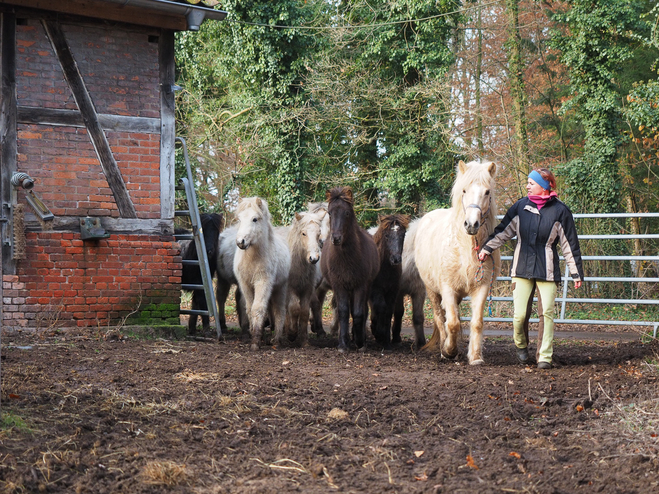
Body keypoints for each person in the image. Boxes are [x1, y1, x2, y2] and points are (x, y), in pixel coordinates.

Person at [478, 168, 583, 369]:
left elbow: (570, 244)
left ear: (543, 187)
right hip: (521, 268)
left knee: (547, 315)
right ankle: (521, 346)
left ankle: (544, 357)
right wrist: (486, 249)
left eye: (531, 183)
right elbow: (503, 232)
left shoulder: (560, 211)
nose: (527, 186)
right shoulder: (520, 207)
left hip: (548, 271)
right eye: (527, 182)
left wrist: (576, 272)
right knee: (519, 316)